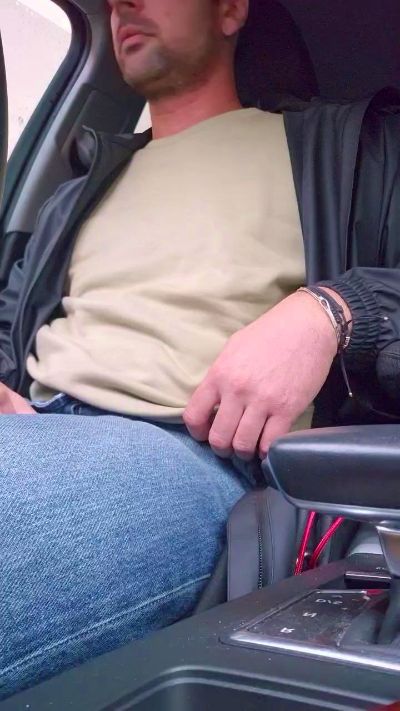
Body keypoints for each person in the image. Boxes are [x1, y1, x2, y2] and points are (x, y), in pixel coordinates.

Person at [1, 0, 400, 699]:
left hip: (187, 450)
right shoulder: (77, 191)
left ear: (230, 10)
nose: (122, 4)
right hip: (33, 429)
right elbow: (13, 328)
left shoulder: (349, 147)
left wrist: (336, 311)